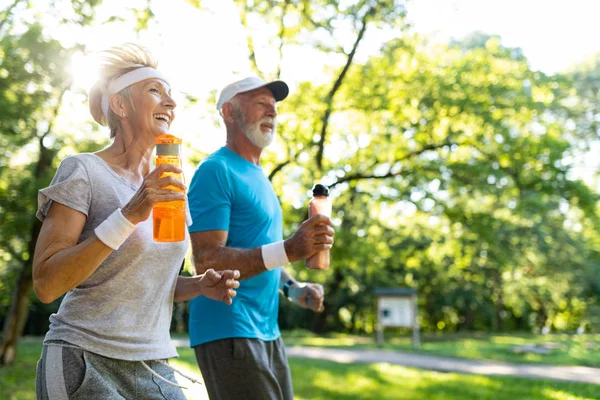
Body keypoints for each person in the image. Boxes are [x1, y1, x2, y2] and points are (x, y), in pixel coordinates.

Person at [32, 43, 240, 399]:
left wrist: (198, 285)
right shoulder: (84, 170)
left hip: (153, 363)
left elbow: (143, 281)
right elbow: (47, 284)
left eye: (171, 95)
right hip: (83, 359)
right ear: (120, 104)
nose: (171, 103)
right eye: (155, 91)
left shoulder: (170, 182)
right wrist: (130, 214)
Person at [187, 76, 335, 400]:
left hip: (267, 330)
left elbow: (261, 252)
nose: (272, 113)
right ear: (229, 112)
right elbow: (207, 259)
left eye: (274, 107)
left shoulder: (260, 177)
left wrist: (293, 289)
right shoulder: (215, 171)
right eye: (260, 104)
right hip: (229, 327)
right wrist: (290, 248)